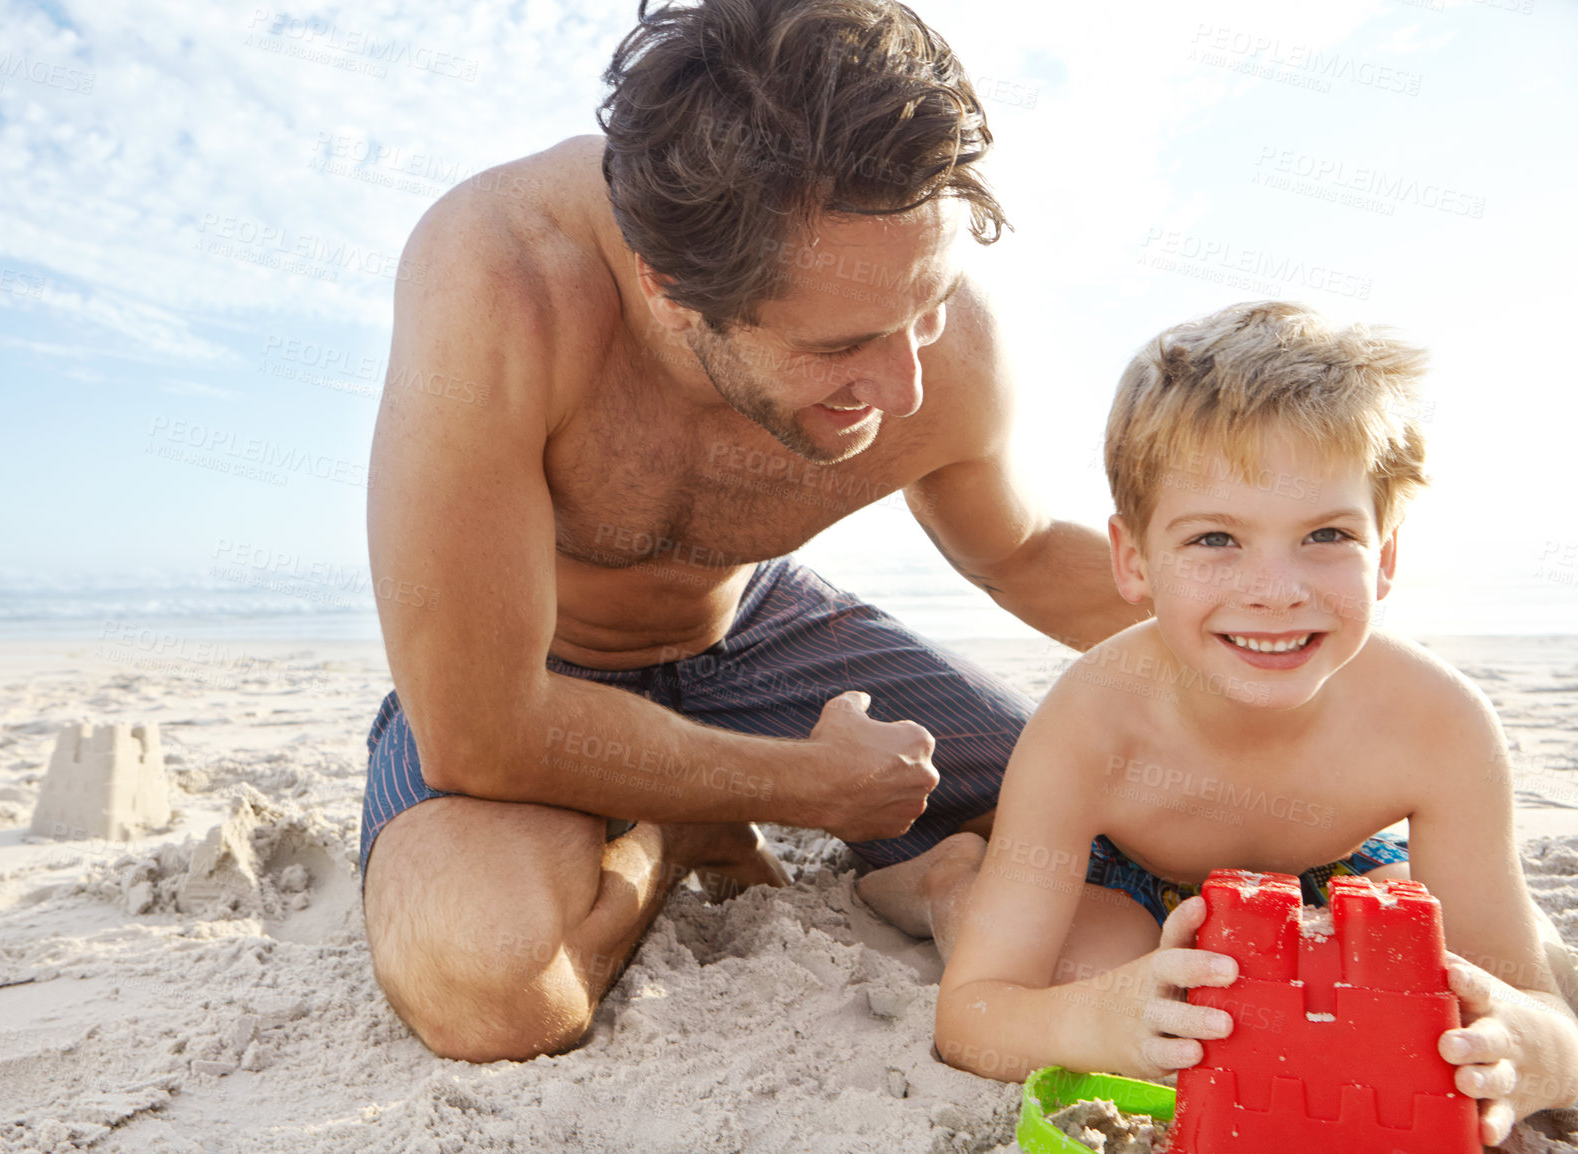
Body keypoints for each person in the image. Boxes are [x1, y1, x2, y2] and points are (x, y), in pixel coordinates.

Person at [357, 0, 1163, 1064]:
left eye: (929, 305)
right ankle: (674, 831)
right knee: (492, 984)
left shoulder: (934, 338)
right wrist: (804, 787)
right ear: (668, 284)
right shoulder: (502, 280)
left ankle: (915, 872)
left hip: (761, 628)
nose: (907, 381)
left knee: (1133, 828)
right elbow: (480, 729)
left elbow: (1015, 555)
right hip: (536, 668)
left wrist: (1287, 636)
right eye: (845, 345)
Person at [905, 301, 1578, 1146]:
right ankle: (947, 882)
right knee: (1104, 966)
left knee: (1460, 974)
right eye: (1217, 538)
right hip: (1137, 879)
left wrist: (1533, 1052)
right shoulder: (1090, 721)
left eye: (1326, 534)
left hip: (1340, 870)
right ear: (1133, 560)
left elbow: (1538, 1011)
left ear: (1389, 555)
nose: (1275, 590)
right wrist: (1094, 1023)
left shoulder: (1439, 723)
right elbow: (972, 1016)